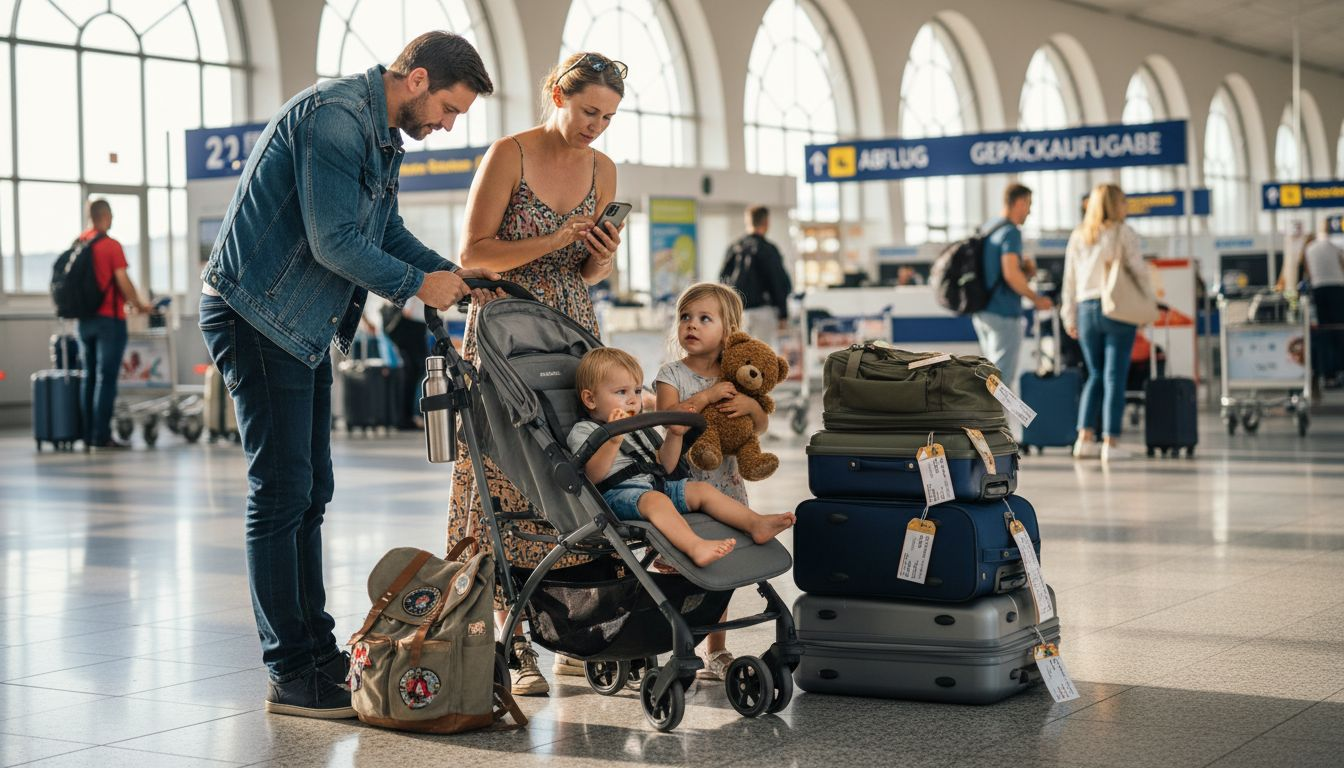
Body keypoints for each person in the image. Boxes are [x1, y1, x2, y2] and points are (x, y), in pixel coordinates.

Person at [197, 32, 500, 719]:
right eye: (449, 109)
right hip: (256, 312)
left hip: (297, 323)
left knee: (311, 490)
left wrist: (451, 275)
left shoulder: (381, 132)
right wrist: (420, 288)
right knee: (281, 492)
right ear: (417, 79)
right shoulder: (335, 118)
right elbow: (335, 241)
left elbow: (384, 230)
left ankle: (316, 651)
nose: (448, 126)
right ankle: (290, 670)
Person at [448, 51, 626, 697]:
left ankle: (573, 634)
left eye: (606, 117)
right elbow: (472, 253)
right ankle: (512, 642)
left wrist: (600, 259)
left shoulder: (602, 168)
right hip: (503, 331)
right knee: (504, 478)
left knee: (573, 473)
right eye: (586, 112)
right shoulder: (510, 154)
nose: (594, 127)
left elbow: (586, 273)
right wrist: (557, 240)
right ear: (557, 94)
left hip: (572, 326)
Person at [568, 348, 794, 567]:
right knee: (657, 501)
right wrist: (612, 440)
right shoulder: (584, 430)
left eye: (637, 391)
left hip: (654, 486)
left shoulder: (637, 428)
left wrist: (674, 436)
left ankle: (755, 523)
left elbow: (664, 466)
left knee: (700, 489)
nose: (632, 400)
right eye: (621, 392)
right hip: (617, 496)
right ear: (590, 399)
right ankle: (696, 547)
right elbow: (592, 476)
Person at [655, 282, 767, 682]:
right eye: (685, 317)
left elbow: (760, 424)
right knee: (682, 569)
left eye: (705, 318)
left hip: (728, 486)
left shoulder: (734, 374)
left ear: (728, 328)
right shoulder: (671, 374)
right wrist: (707, 397)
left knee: (723, 571)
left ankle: (716, 651)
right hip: (685, 485)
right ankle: (677, 644)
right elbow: (670, 419)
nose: (692, 325)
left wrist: (750, 405)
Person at [1062, 183, 1152, 462]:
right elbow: (1138, 269)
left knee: (1095, 375)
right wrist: (1147, 303)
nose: (1126, 206)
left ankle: (1084, 439)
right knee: (1115, 376)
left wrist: (1069, 315)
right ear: (1114, 204)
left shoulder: (1079, 236)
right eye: (1123, 201)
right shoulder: (1123, 233)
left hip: (1087, 310)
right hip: (1116, 308)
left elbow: (1070, 280)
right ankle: (1110, 442)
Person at [77, 199, 153, 450]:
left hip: (84, 321)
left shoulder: (79, 242)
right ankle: (102, 436)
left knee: (89, 377)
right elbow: (123, 281)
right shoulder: (111, 246)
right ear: (106, 216)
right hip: (109, 321)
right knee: (106, 379)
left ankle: (87, 435)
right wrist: (141, 305)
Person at [972, 183, 1053, 388]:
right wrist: (1036, 298)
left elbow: (998, 270)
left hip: (983, 312)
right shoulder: (1011, 232)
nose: (1030, 211)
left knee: (990, 377)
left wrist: (1023, 270)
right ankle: (997, 421)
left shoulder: (990, 227)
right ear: (1019, 202)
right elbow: (1010, 274)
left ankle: (988, 419)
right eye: (1028, 204)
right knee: (1001, 382)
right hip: (1004, 313)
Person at [720, 205, 792, 348]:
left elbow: (722, 280)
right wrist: (784, 314)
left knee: (739, 355)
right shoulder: (768, 249)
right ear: (766, 222)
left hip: (738, 313)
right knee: (764, 356)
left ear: (748, 222)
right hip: (763, 312)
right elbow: (778, 282)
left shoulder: (734, 248)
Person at [1302, 218, 1344, 387]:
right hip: (1338, 290)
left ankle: (1328, 374)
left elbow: (1308, 272)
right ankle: (1340, 369)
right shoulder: (1335, 247)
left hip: (1319, 290)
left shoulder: (1309, 249)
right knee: (1340, 329)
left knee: (1324, 331)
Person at [382, 295, 430, 429]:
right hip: (413, 328)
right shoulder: (419, 280)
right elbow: (408, 309)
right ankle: (406, 418)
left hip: (413, 328)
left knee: (411, 373)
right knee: (414, 373)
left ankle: (405, 417)